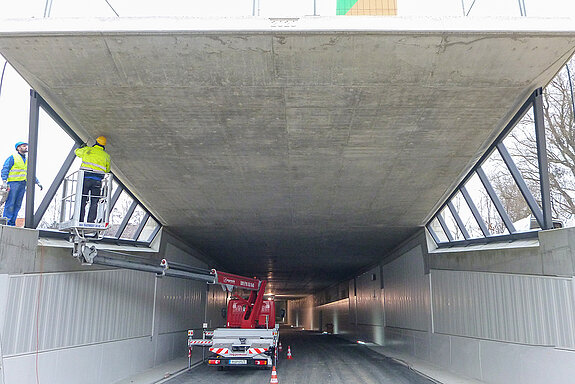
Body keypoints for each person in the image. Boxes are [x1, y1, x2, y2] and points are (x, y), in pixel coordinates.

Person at [1, 142, 43, 226]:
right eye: (24, 146)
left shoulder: (28, 160)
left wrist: (37, 181)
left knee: (17, 205)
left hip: (23, 184)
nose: (26, 147)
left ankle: (12, 223)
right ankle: (7, 222)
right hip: (13, 183)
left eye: (26, 146)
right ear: (18, 148)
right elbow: (5, 169)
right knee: (10, 203)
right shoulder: (13, 157)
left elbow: (30, 173)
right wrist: (4, 181)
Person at [75, 136, 111, 223]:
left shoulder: (88, 150)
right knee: (94, 201)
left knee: (82, 200)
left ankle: (79, 219)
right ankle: (91, 221)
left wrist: (82, 147)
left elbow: (76, 152)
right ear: (104, 146)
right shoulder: (106, 156)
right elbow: (107, 170)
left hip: (85, 179)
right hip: (97, 181)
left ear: (96, 142)